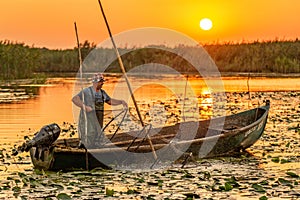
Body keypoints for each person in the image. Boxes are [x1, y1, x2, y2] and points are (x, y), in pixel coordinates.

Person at [72, 73, 127, 148]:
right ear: (95, 82)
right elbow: (75, 99)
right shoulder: (86, 91)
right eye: (101, 82)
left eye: (102, 82)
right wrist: (85, 107)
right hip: (88, 119)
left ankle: (95, 148)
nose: (102, 83)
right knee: (89, 133)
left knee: (98, 134)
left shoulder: (102, 93)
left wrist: (121, 102)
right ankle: (85, 147)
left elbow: (110, 101)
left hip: (98, 119)